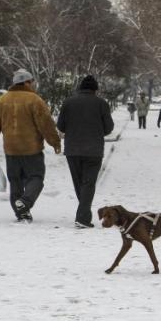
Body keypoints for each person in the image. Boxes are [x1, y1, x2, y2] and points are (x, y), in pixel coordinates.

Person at [0, 69, 61, 223]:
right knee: (36, 178)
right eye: (31, 82)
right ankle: (25, 202)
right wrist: (55, 142)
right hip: (32, 149)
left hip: (11, 150)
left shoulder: (2, 100)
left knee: (16, 181)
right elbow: (46, 124)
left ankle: (22, 213)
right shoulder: (35, 100)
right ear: (26, 82)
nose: (32, 85)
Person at [57, 75, 114, 229]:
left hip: (72, 149)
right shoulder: (102, 104)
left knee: (79, 183)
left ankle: (83, 215)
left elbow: (61, 126)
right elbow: (108, 128)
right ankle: (82, 217)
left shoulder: (68, 103)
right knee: (88, 184)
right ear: (95, 89)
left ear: (80, 88)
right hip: (93, 150)